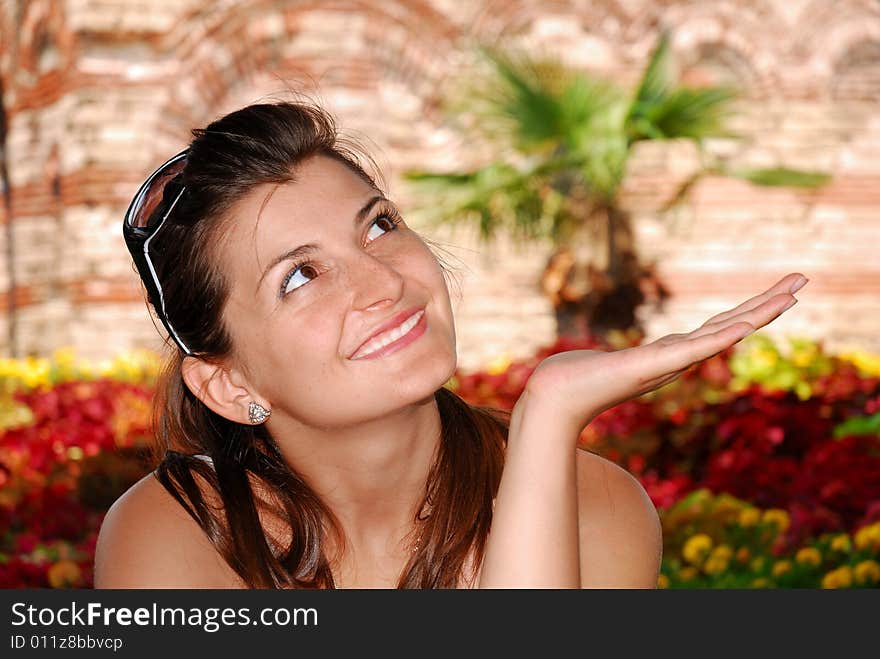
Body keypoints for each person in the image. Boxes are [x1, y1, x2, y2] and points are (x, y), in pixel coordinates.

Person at [93, 100, 807, 589]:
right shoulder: (172, 535)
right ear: (227, 384)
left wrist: (549, 415)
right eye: (301, 275)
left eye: (377, 226)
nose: (382, 282)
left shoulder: (597, 506)